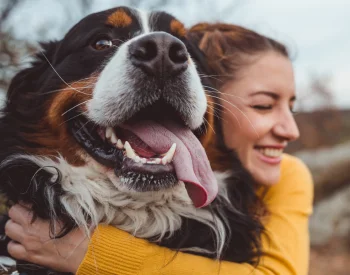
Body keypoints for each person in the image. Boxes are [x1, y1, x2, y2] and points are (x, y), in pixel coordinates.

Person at [5, 23, 313, 275]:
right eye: (263, 105)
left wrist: (90, 254)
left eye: (292, 107)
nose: (291, 130)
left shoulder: (289, 174)